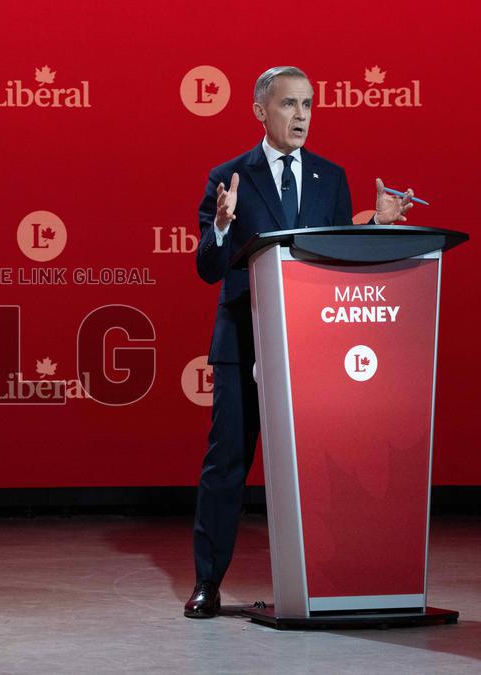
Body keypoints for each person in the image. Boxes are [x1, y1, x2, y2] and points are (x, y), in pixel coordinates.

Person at [186, 66, 414, 618]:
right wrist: (219, 226)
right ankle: (208, 584)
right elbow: (208, 270)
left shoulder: (331, 178)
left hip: (313, 349)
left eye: (309, 104)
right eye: (289, 104)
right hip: (245, 343)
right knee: (227, 466)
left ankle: (329, 581)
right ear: (261, 111)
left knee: (327, 466)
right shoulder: (228, 176)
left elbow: (336, 261)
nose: (302, 115)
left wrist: (379, 229)